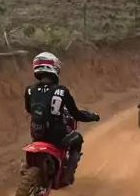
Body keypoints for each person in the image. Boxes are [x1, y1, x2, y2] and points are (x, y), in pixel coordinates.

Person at [24, 52, 100, 186]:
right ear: (54, 68)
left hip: (37, 134)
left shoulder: (29, 90)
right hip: (57, 136)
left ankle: (28, 165)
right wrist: (93, 116)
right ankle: (68, 174)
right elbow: (76, 114)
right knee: (77, 139)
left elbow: (29, 109)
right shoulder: (62, 90)